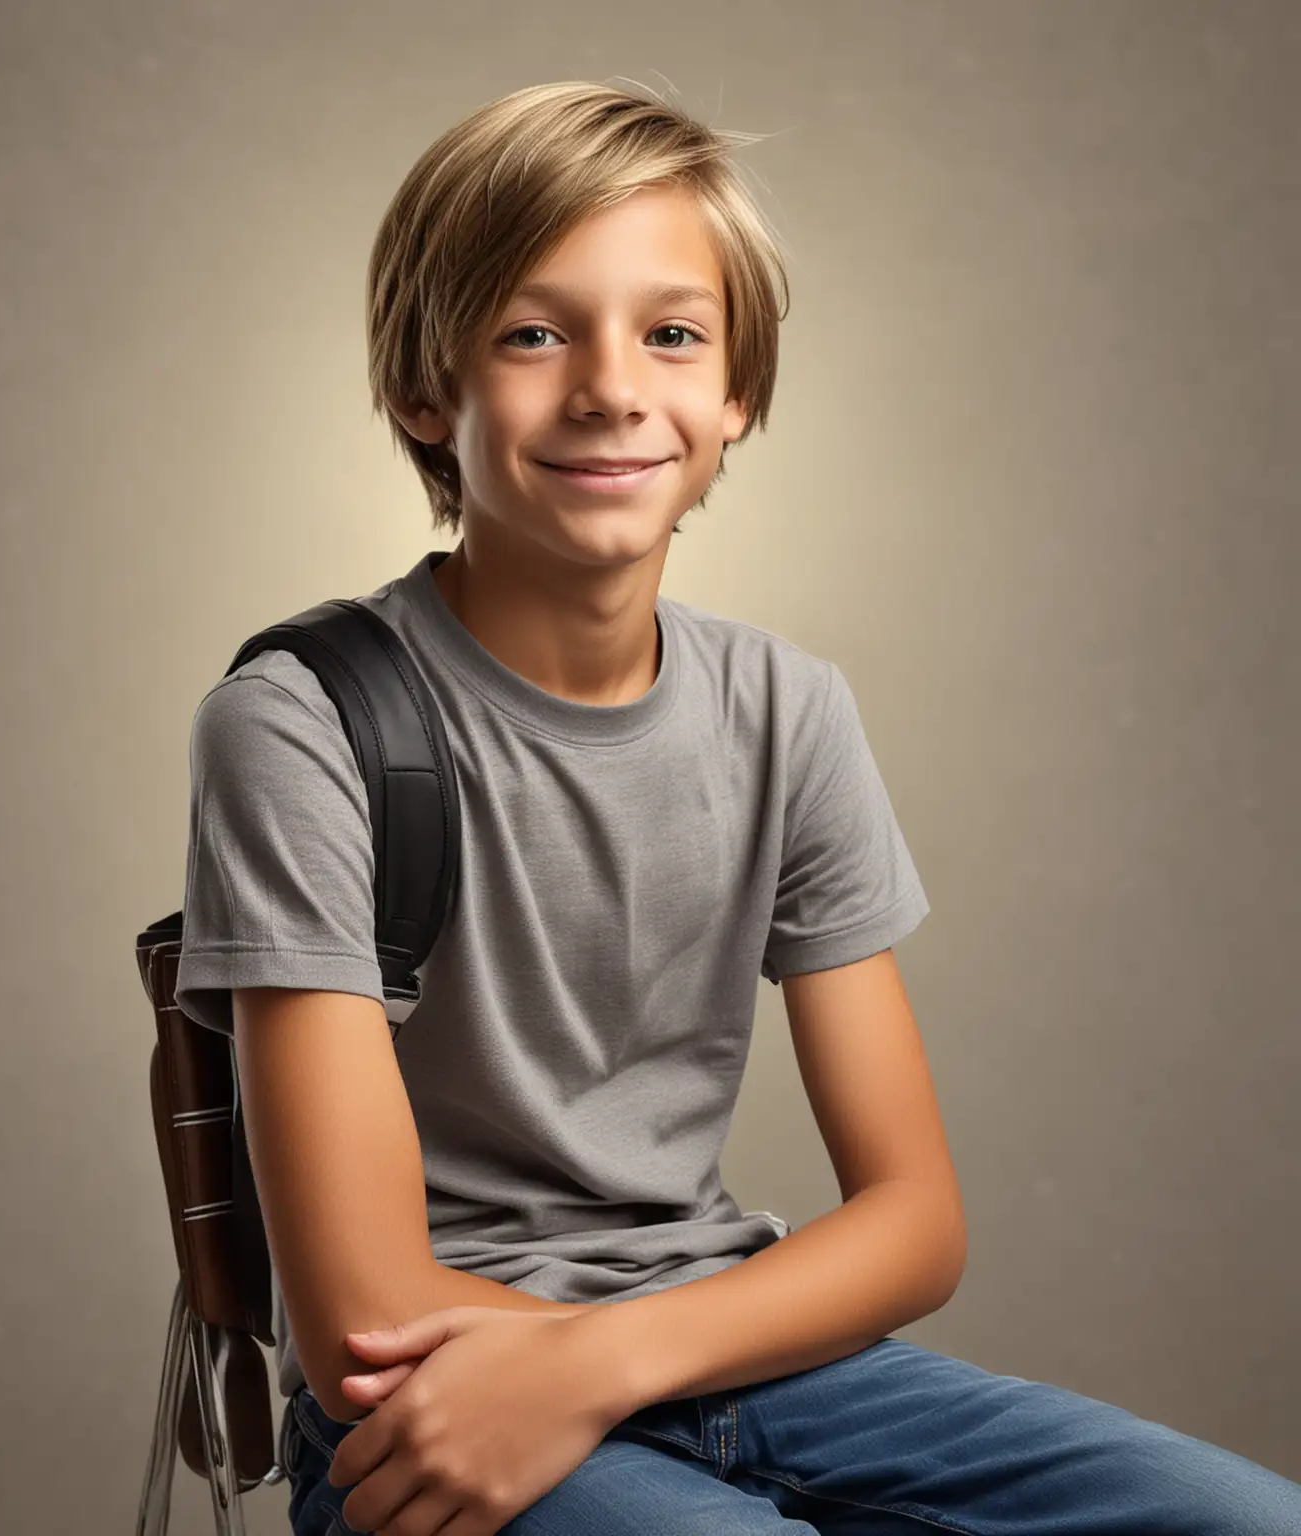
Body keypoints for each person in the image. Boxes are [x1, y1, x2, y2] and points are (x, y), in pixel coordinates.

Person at [174, 80, 1301, 1536]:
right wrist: (571, 1377)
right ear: (423, 390)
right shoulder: (300, 720)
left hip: (732, 1351)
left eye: (673, 333)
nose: (610, 387)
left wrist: (609, 1360)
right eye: (532, 331)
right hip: (434, 1398)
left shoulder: (787, 710)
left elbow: (912, 1223)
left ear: (738, 394)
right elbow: (361, 1313)